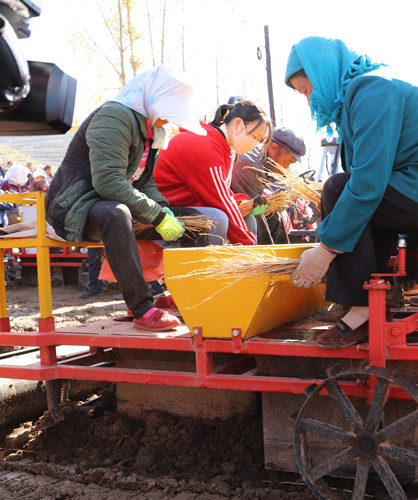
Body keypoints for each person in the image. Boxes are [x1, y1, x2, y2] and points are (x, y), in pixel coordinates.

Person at [285, 36, 418, 349]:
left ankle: (362, 307)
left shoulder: (371, 89)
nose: (309, 100)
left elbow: (367, 181)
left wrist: (325, 250)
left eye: (307, 89)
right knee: (354, 194)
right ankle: (368, 299)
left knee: (338, 189)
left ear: (324, 72)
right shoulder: (370, 88)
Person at [45, 65, 224, 331]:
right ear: (153, 98)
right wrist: (158, 216)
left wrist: (164, 209)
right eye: (168, 112)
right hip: (75, 208)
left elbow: (144, 181)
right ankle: (142, 308)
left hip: (114, 203)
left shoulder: (152, 129)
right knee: (117, 213)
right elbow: (108, 182)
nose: (170, 121)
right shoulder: (114, 117)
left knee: (208, 218)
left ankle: (193, 298)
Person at [153, 99, 271, 246]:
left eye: (259, 140)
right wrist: (250, 247)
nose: (255, 143)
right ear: (238, 124)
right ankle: (208, 267)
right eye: (254, 136)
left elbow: (219, 192)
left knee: (247, 218)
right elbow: (220, 201)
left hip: (189, 205)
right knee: (217, 219)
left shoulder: (225, 148)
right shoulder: (205, 145)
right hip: (164, 212)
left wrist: (242, 202)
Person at [231, 127, 306, 244]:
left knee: (274, 217)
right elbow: (252, 208)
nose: (285, 169)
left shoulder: (262, 165)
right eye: (287, 162)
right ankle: (269, 259)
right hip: (234, 214)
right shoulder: (250, 166)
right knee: (260, 218)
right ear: (273, 148)